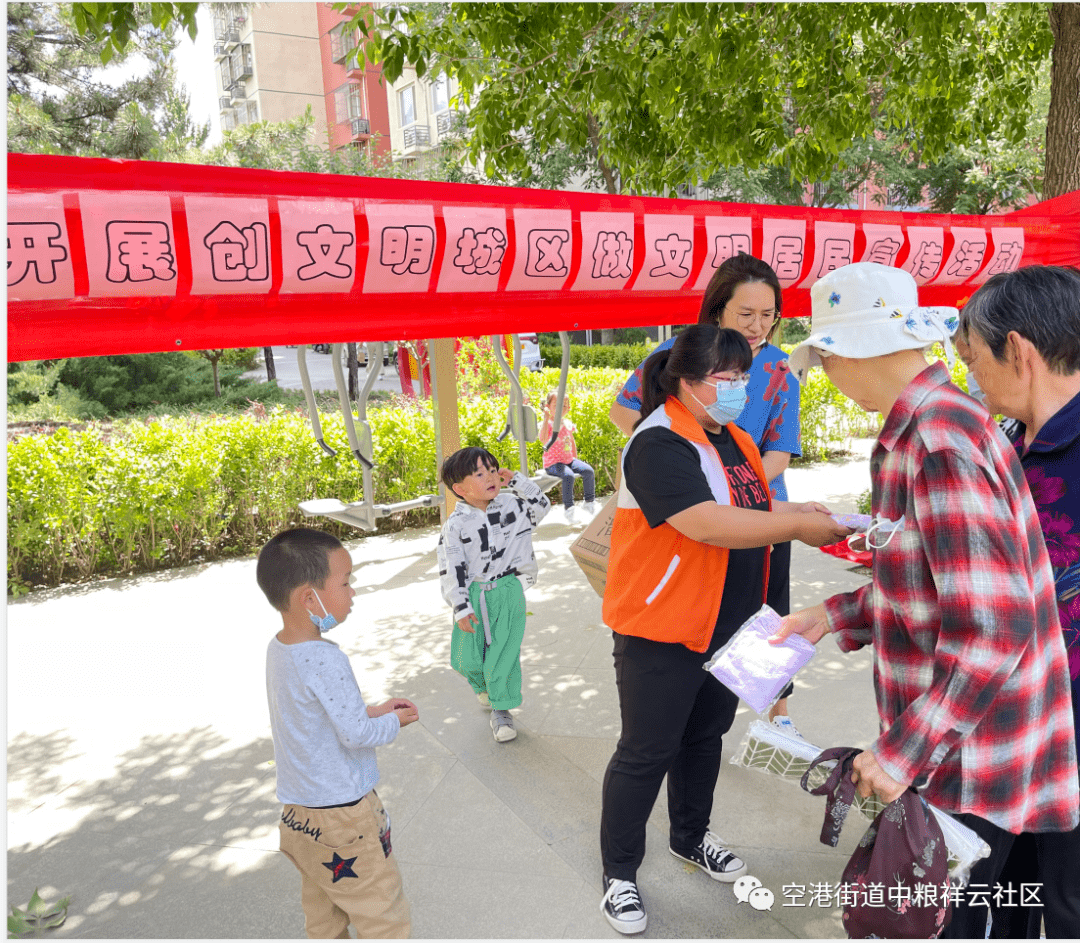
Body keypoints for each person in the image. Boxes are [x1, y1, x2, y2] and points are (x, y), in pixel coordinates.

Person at [772, 262, 1080, 940]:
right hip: (981, 740)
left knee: (941, 923)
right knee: (997, 915)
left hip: (972, 755)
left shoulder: (937, 440)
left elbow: (993, 630)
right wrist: (832, 615)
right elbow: (936, 586)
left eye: (824, 357)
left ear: (851, 353)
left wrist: (900, 754)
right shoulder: (948, 425)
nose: (827, 374)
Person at [598, 324, 851, 935]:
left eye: (743, 377)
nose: (738, 388)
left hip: (727, 624)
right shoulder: (658, 442)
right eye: (726, 378)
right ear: (685, 381)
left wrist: (820, 515)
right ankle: (620, 875)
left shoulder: (731, 435)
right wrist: (794, 529)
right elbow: (707, 523)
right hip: (663, 626)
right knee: (646, 751)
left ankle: (690, 838)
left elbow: (755, 507)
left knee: (704, 738)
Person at [609, 253, 804, 735]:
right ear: (718, 310)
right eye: (746, 314)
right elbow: (624, 409)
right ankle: (689, 705)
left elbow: (781, 447)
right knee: (701, 611)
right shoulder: (680, 353)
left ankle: (776, 714)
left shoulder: (780, 369)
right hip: (695, 507)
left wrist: (742, 480)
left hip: (762, 506)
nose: (758, 326)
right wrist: (674, 460)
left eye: (768, 314)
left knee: (767, 612)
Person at [956, 265, 1080, 940]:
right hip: (1013, 731)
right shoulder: (1007, 441)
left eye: (974, 358)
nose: (970, 376)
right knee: (1005, 898)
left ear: (1021, 353)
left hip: (1072, 733)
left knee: (1067, 905)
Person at [258, 527, 419, 939]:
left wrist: (370, 709)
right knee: (383, 914)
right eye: (345, 583)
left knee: (324, 914)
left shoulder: (280, 649)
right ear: (309, 599)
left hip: (299, 817)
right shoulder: (326, 659)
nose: (352, 594)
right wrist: (389, 721)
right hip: (344, 819)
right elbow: (356, 735)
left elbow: (315, 717)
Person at [437, 446, 551, 742]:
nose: (490, 476)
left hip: (509, 590)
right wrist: (461, 607)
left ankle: (502, 711)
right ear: (460, 488)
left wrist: (517, 481)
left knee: (504, 652)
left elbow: (541, 504)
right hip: (474, 593)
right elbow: (453, 567)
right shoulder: (456, 525)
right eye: (479, 473)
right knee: (465, 658)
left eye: (492, 469)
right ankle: (483, 685)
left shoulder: (511, 505)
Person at [539, 390, 596, 525]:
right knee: (568, 476)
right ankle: (569, 510)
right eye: (557, 405)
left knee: (589, 471)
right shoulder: (548, 424)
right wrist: (546, 418)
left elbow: (571, 441)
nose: (561, 408)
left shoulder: (567, 423)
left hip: (568, 460)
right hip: (553, 463)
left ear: (568, 408)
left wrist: (575, 460)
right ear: (548, 406)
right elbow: (542, 439)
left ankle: (589, 504)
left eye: (564, 406)